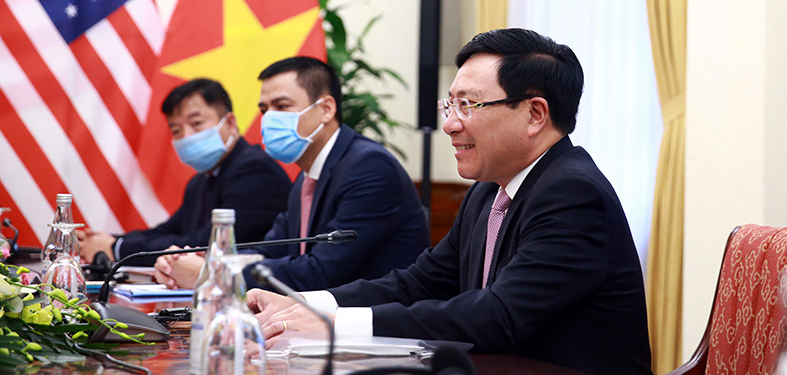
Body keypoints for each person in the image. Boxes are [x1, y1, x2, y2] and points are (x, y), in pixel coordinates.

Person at [247, 29, 652, 375]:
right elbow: (420, 281)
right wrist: (302, 304)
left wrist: (334, 324)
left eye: (468, 105)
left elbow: (499, 315)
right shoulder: (487, 191)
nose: (450, 123)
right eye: (450, 103)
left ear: (534, 115)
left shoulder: (573, 194)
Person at [154, 57, 429, 291]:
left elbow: (321, 271)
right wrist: (211, 260)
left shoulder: (369, 168)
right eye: (264, 109)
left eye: (282, 106)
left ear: (326, 109)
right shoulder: (307, 176)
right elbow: (270, 249)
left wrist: (213, 274)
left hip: (379, 332)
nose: (269, 118)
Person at [77, 78, 291, 265]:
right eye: (177, 130)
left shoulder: (255, 171)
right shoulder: (201, 180)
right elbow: (169, 231)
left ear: (231, 123)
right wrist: (106, 241)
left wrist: (117, 248)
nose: (187, 136)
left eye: (196, 123)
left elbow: (206, 243)